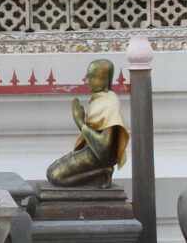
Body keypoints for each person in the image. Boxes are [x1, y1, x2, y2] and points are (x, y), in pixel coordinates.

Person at [46, 59, 130, 188]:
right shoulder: (99, 99)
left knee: (57, 177)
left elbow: (103, 147)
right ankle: (100, 174)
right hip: (90, 150)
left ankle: (103, 172)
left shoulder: (109, 104)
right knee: (50, 172)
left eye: (91, 77)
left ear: (105, 79)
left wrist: (80, 123)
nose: (86, 81)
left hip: (99, 157)